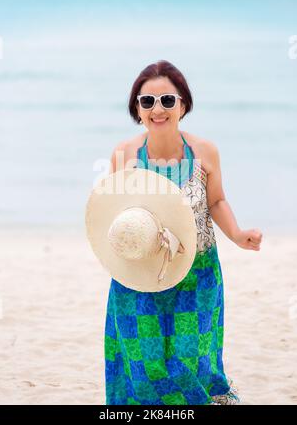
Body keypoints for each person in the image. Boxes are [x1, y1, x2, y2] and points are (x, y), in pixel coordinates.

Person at [104, 59, 262, 405]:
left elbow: (217, 200)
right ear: (137, 109)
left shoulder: (205, 151)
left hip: (198, 272)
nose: (157, 109)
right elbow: (114, 216)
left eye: (167, 100)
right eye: (147, 102)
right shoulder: (124, 154)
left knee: (189, 361)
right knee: (145, 364)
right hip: (139, 276)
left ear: (183, 105)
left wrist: (236, 234)